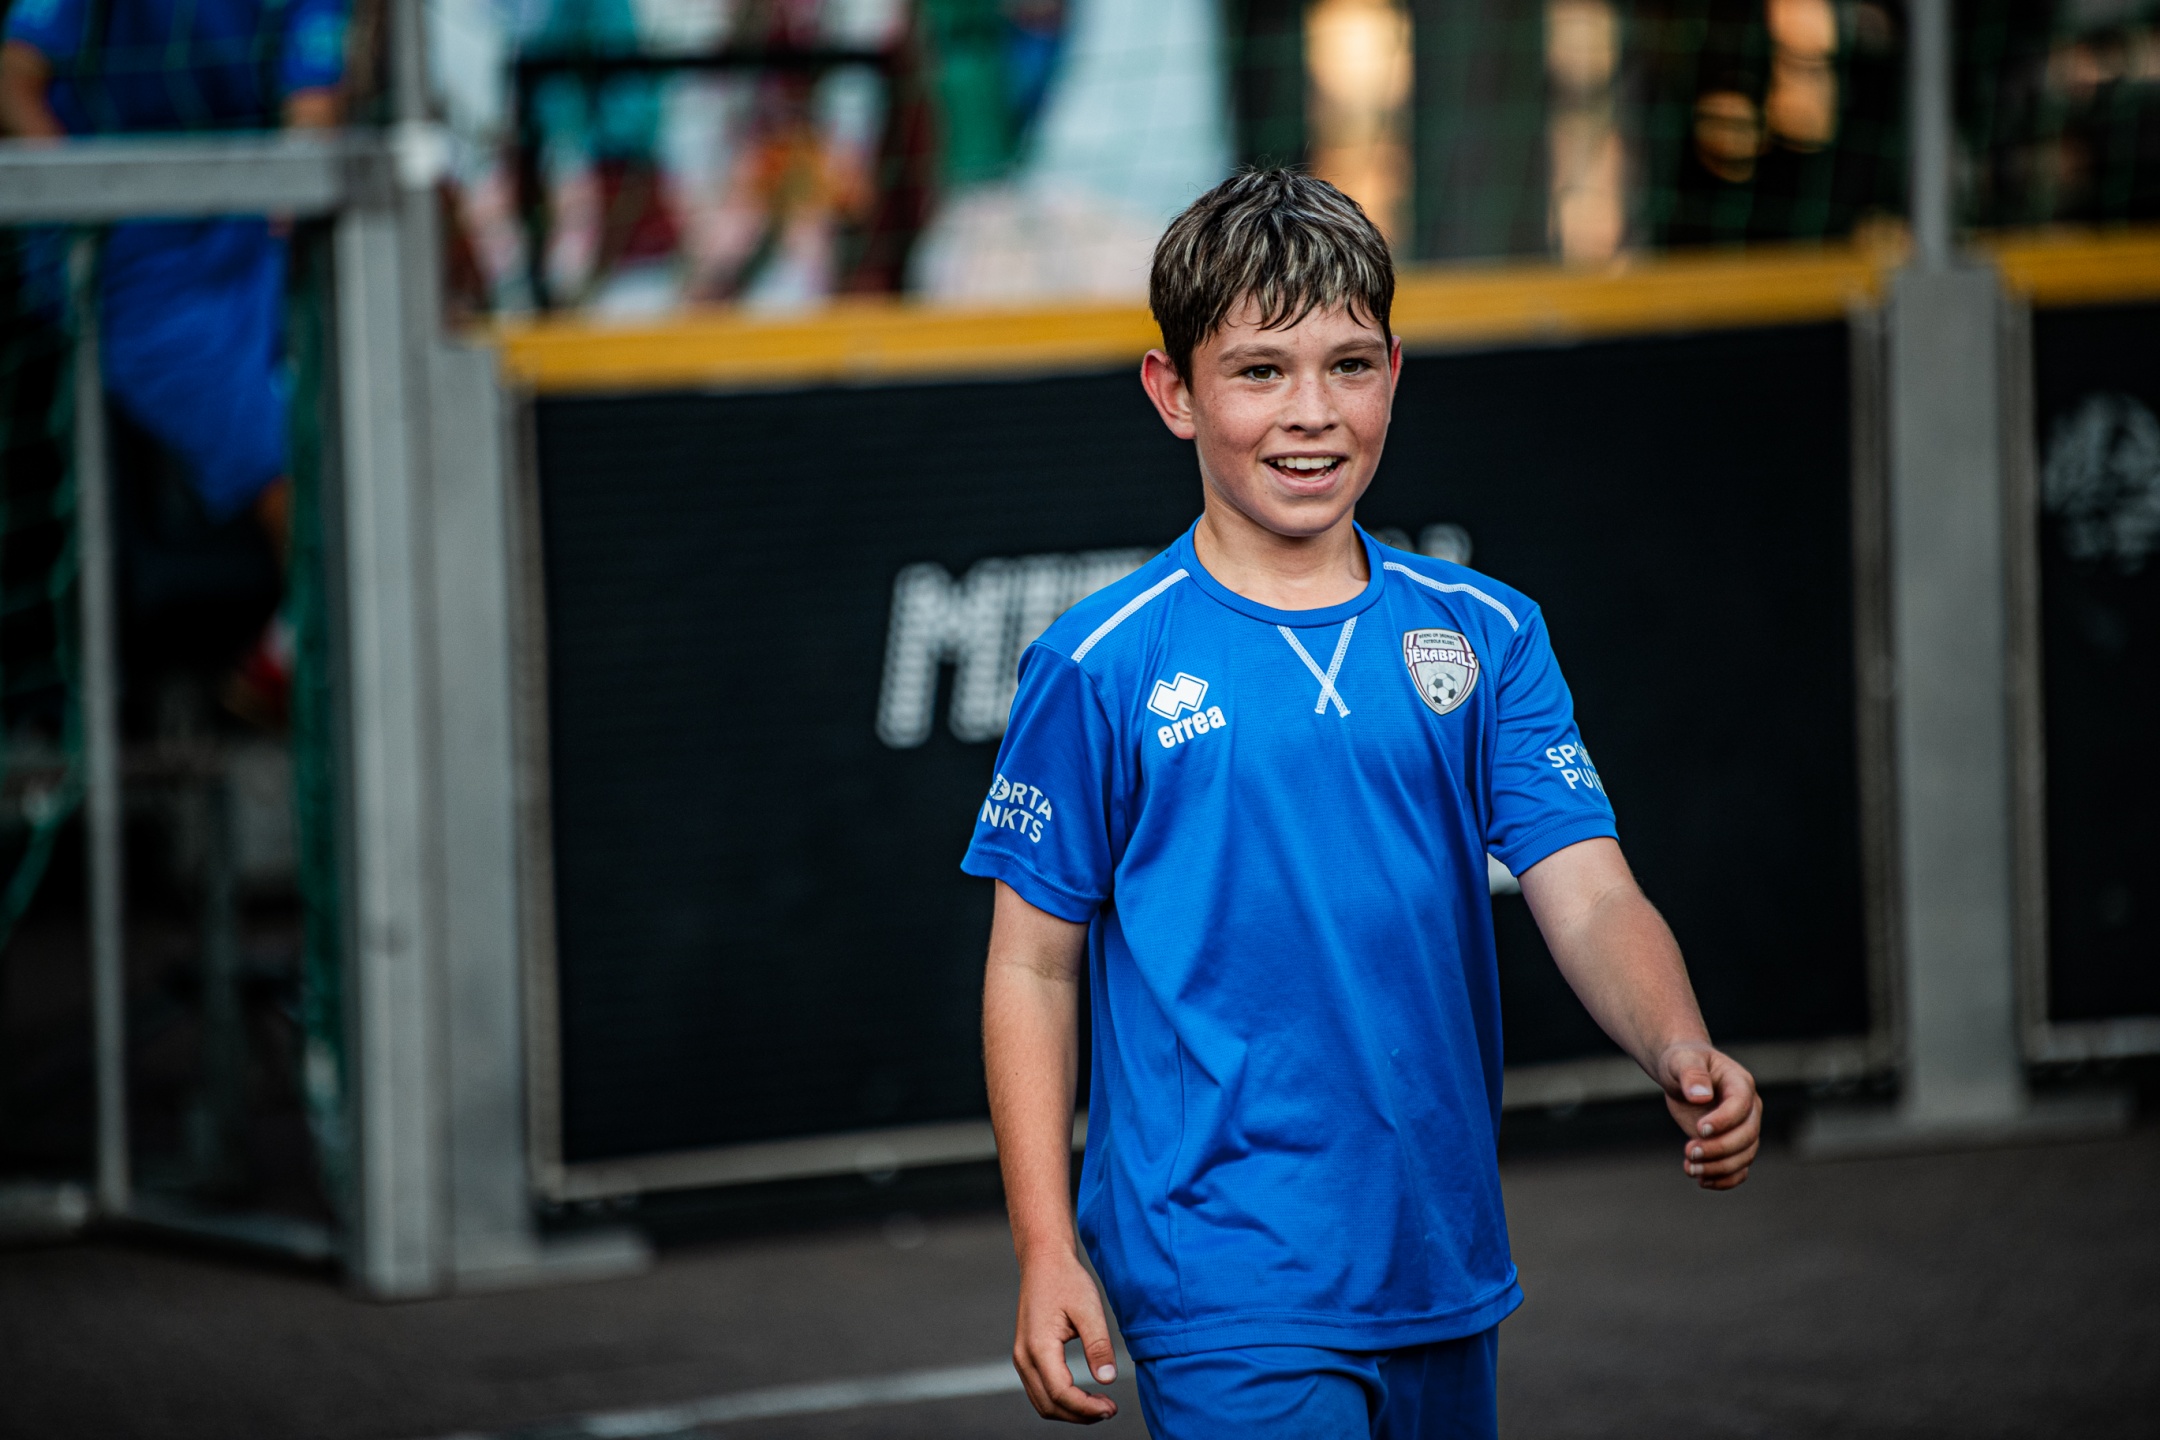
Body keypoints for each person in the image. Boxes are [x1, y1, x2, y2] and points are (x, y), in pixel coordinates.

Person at [965, 169, 1762, 1438]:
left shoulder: (1488, 632)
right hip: (1219, 1265)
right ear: (1174, 393)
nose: (1312, 411)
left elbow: (1589, 891)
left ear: (1393, 372)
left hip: (1438, 1251)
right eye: (1259, 371)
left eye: (1347, 366)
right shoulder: (1100, 661)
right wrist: (1044, 1244)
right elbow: (1032, 966)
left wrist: (1677, 1041)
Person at [2, 0, 345, 720]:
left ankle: (294, 657)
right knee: (278, 449)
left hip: (254, 234)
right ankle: (307, 665)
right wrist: (83, 206)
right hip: (129, 260)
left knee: (343, 419)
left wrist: (289, 206)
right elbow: (13, 77)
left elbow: (312, 112)